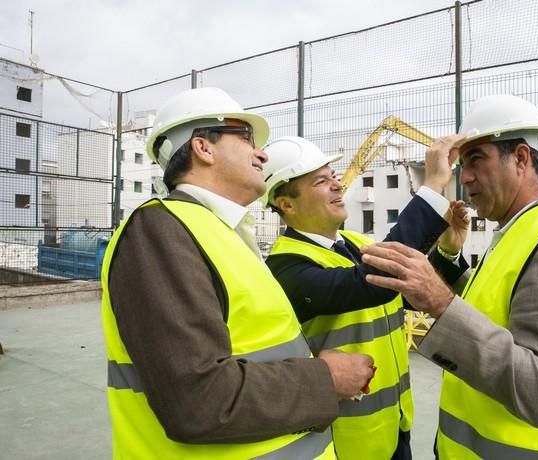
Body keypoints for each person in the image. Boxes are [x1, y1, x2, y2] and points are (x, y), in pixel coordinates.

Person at [100, 87, 375, 460]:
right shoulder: (159, 230)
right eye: (246, 138)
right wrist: (327, 378)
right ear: (203, 148)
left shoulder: (218, 232)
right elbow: (198, 401)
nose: (261, 152)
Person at [361, 95, 538, 459]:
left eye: (476, 160)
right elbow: (499, 306)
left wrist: (439, 300)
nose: (464, 177)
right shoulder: (520, 230)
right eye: (462, 164)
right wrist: (450, 256)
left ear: (521, 159)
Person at [260, 136, 470, 460]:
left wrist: (448, 252)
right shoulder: (286, 267)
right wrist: (431, 186)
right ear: (286, 203)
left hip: (395, 426)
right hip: (348, 443)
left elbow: (408, 294)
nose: (337, 185)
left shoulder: (355, 244)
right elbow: (372, 285)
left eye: (333, 176)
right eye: (321, 181)